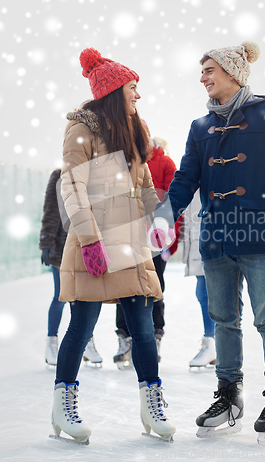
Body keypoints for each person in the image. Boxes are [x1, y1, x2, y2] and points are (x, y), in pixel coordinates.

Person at [147, 42, 265, 443]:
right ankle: (229, 393)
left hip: (258, 234)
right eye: (201, 71)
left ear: (234, 72)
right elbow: (185, 180)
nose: (202, 78)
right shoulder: (201, 128)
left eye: (209, 70)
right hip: (216, 237)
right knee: (223, 320)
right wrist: (165, 216)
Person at [51, 47, 176, 444]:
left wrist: (157, 220)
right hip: (96, 244)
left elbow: (142, 185)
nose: (138, 96)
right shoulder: (81, 132)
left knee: (142, 328)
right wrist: (89, 242)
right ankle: (63, 406)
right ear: (113, 90)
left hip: (131, 244)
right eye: (133, 88)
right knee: (82, 325)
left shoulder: (135, 130)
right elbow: (73, 189)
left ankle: (152, 405)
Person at [113, 136, 181, 367]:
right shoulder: (125, 161)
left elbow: (173, 203)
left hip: (154, 241)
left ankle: (154, 335)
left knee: (154, 287)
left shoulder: (166, 163)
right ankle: (125, 338)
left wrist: (171, 240)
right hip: (128, 239)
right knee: (124, 288)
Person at [39, 169, 102, 367]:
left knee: (85, 297)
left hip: (86, 246)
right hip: (62, 246)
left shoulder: (93, 175)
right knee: (61, 295)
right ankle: (52, 343)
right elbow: (50, 210)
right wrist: (46, 241)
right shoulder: (59, 175)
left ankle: (87, 343)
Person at [181, 190, 216, 369]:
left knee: (208, 293)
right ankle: (213, 343)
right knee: (203, 292)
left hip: (211, 237)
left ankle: (214, 343)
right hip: (199, 237)